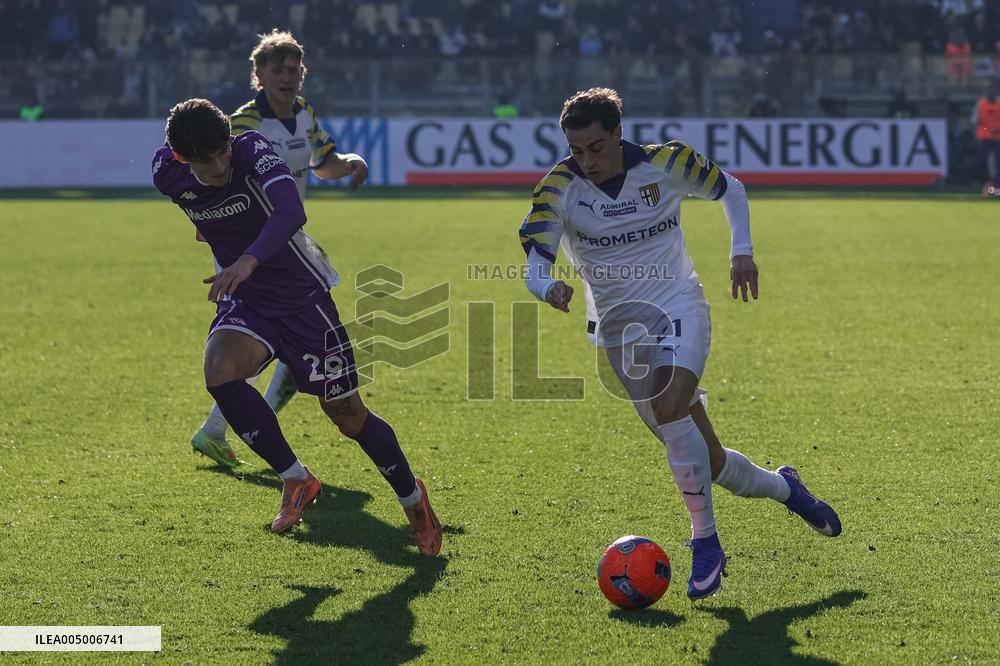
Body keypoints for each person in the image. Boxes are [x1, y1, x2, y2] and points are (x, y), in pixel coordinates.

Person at [518, 88, 840, 600]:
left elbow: (729, 188)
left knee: (671, 409)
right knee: (707, 462)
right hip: (618, 332)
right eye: (577, 150)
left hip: (679, 305)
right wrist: (547, 286)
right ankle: (787, 488)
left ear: (619, 133)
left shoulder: (667, 163)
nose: (587, 160)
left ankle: (705, 543)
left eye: (596, 147)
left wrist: (742, 253)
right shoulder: (558, 187)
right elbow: (536, 259)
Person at [152, 98, 441, 555]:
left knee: (347, 417)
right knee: (220, 372)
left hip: (303, 299)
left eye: (222, 151)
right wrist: (213, 234)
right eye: (206, 162)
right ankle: (295, 478)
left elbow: (291, 213)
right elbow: (198, 208)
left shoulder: (252, 150)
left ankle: (414, 500)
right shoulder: (167, 173)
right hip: (249, 301)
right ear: (184, 159)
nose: (220, 165)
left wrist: (246, 258)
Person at [191, 30, 370, 468]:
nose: (288, 77)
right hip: (248, 250)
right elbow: (215, 180)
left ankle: (217, 429)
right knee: (273, 337)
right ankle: (222, 427)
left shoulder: (304, 112)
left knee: (298, 342)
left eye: (294, 69)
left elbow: (322, 163)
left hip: (287, 244)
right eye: (278, 69)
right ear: (260, 75)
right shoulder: (242, 125)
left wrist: (348, 163)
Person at [972, 78, 1000, 197]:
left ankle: (997, 189)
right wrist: (984, 130)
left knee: (998, 163)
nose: (990, 91)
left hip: (998, 138)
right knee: (982, 162)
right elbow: (975, 122)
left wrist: (997, 128)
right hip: (983, 137)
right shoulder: (981, 103)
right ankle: (987, 186)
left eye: (992, 88)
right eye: (988, 88)